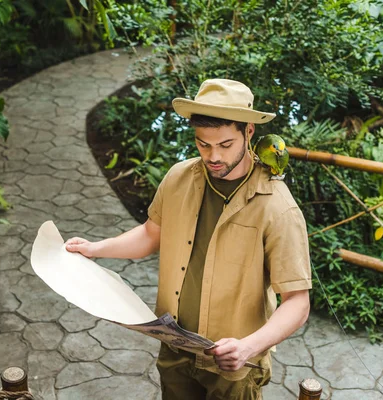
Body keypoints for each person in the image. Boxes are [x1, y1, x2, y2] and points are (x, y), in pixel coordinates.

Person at [65, 79, 312, 400]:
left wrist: (248, 346)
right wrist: (95, 249)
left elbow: (298, 301)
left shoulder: (278, 208)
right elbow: (150, 235)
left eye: (225, 145)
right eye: (203, 144)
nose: (213, 157)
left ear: (249, 131)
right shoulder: (179, 177)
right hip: (175, 344)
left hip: (232, 365)